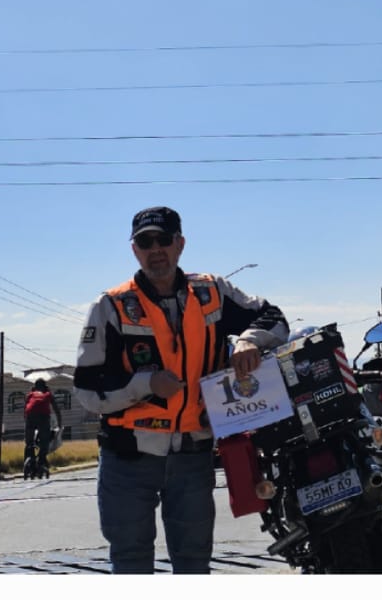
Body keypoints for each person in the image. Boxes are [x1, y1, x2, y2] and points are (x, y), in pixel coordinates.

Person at [74, 205, 289, 574]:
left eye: (164, 239)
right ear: (134, 249)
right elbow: (87, 389)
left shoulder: (213, 292)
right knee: (130, 563)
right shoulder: (109, 306)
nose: (155, 248)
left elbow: (275, 318)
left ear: (180, 244)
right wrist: (145, 385)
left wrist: (249, 341)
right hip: (128, 457)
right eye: (145, 241)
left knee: (193, 565)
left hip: (193, 455)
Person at [23, 378, 62, 473]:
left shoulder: (30, 395)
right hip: (43, 417)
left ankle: (29, 460)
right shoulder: (48, 394)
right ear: (45, 387)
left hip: (30, 416)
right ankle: (41, 460)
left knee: (29, 442)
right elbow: (56, 410)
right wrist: (60, 424)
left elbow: (25, 410)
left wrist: (27, 423)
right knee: (45, 441)